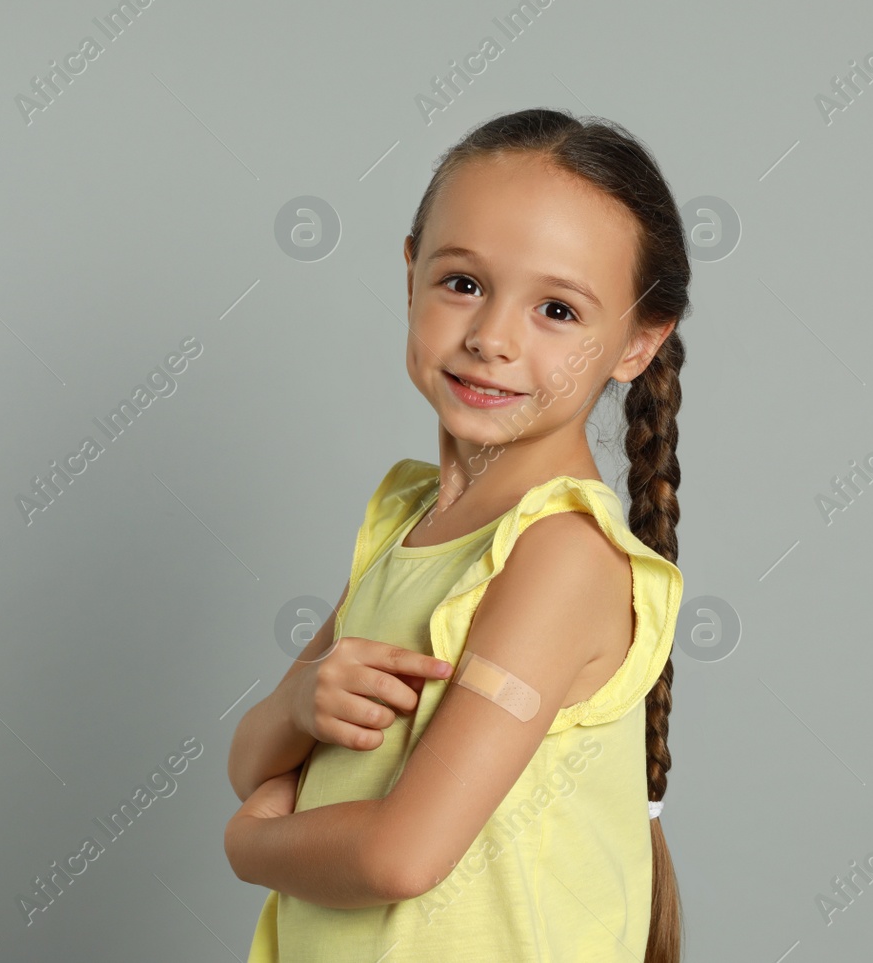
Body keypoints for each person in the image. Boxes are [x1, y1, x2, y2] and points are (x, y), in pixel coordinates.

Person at [224, 107, 692, 962]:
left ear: (637, 341)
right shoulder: (410, 521)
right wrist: (300, 702)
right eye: (464, 283)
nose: (491, 338)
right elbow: (252, 758)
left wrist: (248, 847)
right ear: (410, 275)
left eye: (556, 308)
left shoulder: (561, 553)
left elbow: (401, 853)